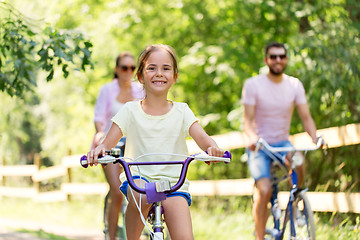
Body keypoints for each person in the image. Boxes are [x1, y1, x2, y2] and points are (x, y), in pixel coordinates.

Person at [87, 44, 224, 240]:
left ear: (175, 76)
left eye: (166, 68)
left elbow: (203, 139)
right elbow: (107, 144)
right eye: (152, 68)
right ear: (141, 77)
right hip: (139, 181)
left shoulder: (182, 111)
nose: (159, 73)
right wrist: (98, 151)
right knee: (143, 196)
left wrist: (213, 149)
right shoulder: (130, 110)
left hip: (174, 185)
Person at [242, 42, 320, 240]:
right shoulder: (253, 85)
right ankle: (260, 236)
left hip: (283, 143)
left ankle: (296, 203)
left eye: (282, 56)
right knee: (265, 190)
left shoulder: (294, 85)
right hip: (260, 146)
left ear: (286, 59)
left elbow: (306, 117)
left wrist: (315, 136)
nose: (278, 60)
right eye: (273, 56)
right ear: (266, 60)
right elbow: (247, 121)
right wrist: (252, 138)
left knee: (300, 160)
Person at [92, 52, 145, 240]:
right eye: (124, 68)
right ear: (117, 70)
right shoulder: (107, 90)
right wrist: (100, 135)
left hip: (135, 146)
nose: (128, 71)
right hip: (111, 144)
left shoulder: (140, 90)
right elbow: (99, 119)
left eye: (132, 68)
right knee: (116, 191)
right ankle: (112, 237)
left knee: (140, 189)